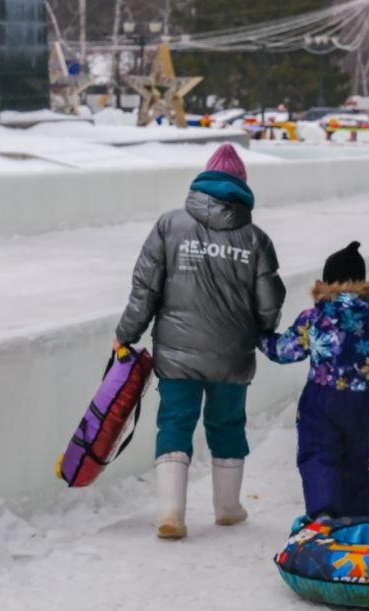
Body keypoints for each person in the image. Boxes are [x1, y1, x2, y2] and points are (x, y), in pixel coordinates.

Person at [115, 144, 286, 539]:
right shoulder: (255, 239)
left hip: (176, 354)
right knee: (227, 425)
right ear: (241, 186)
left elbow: (145, 289)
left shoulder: (169, 226)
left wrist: (126, 334)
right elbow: (269, 302)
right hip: (232, 353)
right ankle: (227, 507)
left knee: (175, 422)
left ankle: (171, 511)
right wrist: (262, 329)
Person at [259, 242, 369, 519]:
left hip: (321, 398)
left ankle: (324, 515)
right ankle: (359, 522)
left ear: (327, 281)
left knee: (318, 456)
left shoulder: (315, 318)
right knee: (356, 463)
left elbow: (285, 351)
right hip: (362, 403)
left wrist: (258, 337)